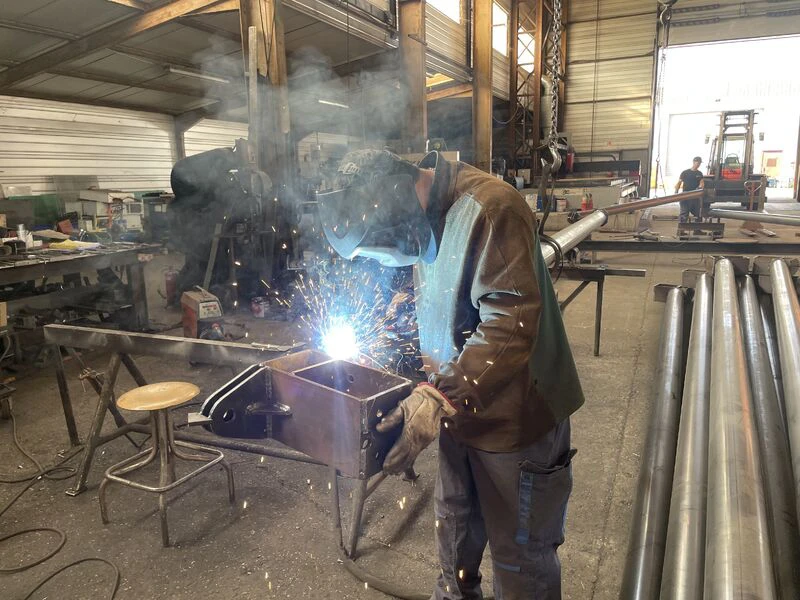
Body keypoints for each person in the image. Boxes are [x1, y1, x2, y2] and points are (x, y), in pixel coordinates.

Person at [317, 149, 585, 599]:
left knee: (520, 563)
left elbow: (511, 319)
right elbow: (443, 284)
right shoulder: (423, 214)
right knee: (455, 542)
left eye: (377, 249)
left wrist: (439, 396)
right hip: (456, 412)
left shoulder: (491, 208)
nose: (381, 261)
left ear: (396, 207)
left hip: (518, 422)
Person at [675, 156, 705, 222]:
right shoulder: (685, 173)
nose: (699, 164)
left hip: (695, 196)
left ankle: (697, 230)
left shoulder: (699, 174)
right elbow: (679, 183)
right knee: (684, 214)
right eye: (698, 162)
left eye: (700, 163)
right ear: (694, 162)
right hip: (685, 196)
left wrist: (700, 188)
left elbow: (702, 183)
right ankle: (681, 230)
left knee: (697, 214)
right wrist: (676, 192)